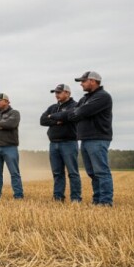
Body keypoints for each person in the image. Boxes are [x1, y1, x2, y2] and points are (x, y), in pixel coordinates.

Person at [50, 71, 113, 206]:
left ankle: (106, 202)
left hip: (98, 138)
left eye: (83, 81)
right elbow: (73, 114)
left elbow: (81, 112)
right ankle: (97, 200)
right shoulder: (85, 99)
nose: (81, 84)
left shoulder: (103, 97)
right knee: (92, 173)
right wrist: (63, 115)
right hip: (85, 139)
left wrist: (72, 114)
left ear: (92, 81)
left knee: (101, 171)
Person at [40, 84, 81, 202]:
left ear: (67, 93)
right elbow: (42, 120)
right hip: (53, 143)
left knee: (73, 173)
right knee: (57, 173)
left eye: (59, 92)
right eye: (55, 93)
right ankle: (58, 197)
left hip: (69, 143)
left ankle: (76, 199)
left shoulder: (75, 105)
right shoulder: (52, 107)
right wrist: (56, 121)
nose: (56, 95)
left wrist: (51, 117)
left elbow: (69, 116)